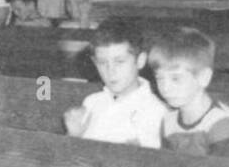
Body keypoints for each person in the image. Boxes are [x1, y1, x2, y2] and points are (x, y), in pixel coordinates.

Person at [63, 20, 165, 148]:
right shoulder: (92, 102)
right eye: (102, 62)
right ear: (94, 63)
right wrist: (73, 136)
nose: (111, 71)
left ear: (140, 60)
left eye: (120, 61)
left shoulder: (155, 111)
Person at [149, 28, 229, 157]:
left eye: (175, 78)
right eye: (160, 78)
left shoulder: (223, 125)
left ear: (203, 78)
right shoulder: (168, 121)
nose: (165, 88)